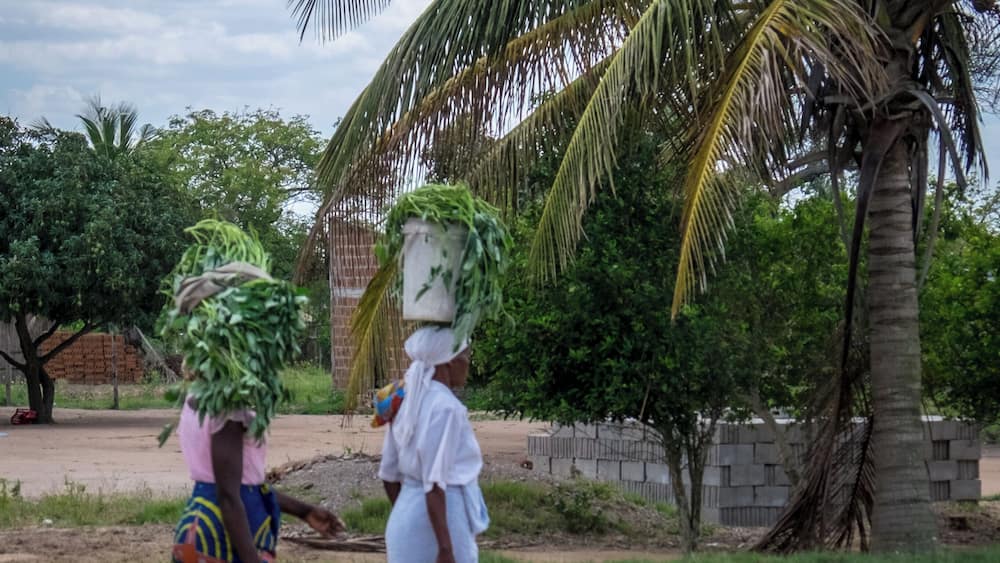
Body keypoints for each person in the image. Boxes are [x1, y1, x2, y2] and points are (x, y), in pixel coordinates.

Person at [172, 393, 345, 563]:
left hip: (199, 525)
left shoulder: (197, 396)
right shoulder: (228, 409)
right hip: (223, 538)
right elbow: (228, 494)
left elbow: (243, 484)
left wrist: (304, 511)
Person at [378, 326, 490, 563]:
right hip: (444, 521)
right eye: (465, 356)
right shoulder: (446, 408)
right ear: (448, 362)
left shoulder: (404, 401)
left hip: (404, 522)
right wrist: (445, 548)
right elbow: (435, 483)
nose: (467, 364)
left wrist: (410, 511)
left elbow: (388, 474)